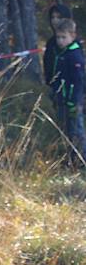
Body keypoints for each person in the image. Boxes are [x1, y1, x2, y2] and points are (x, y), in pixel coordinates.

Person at [46, 19, 86, 160]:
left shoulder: (74, 55)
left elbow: (78, 81)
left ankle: (82, 158)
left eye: (64, 37)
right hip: (61, 100)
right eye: (58, 37)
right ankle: (69, 157)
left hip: (73, 102)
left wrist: (74, 101)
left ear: (72, 36)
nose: (60, 41)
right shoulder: (61, 53)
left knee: (76, 130)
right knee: (65, 130)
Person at [43, 4, 75, 88]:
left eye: (59, 17)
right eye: (52, 17)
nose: (55, 20)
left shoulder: (73, 43)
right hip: (54, 89)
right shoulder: (51, 43)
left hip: (71, 90)